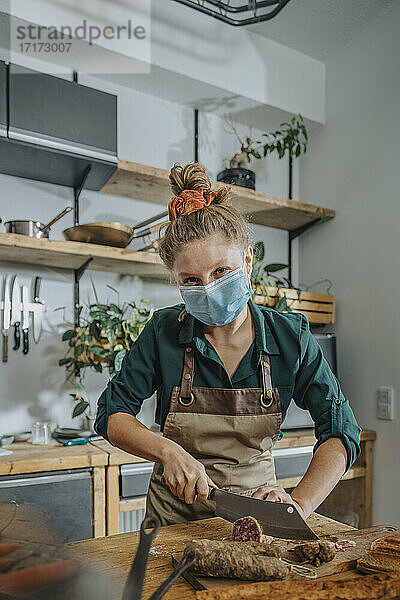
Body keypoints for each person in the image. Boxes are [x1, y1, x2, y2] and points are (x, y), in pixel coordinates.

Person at [94, 162, 361, 526]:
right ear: (176, 281)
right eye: (191, 279)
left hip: (257, 520)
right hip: (172, 522)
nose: (207, 288)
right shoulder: (163, 331)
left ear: (248, 261)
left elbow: (341, 430)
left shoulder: (290, 336)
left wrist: (298, 505)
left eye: (220, 272)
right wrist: (167, 452)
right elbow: (112, 414)